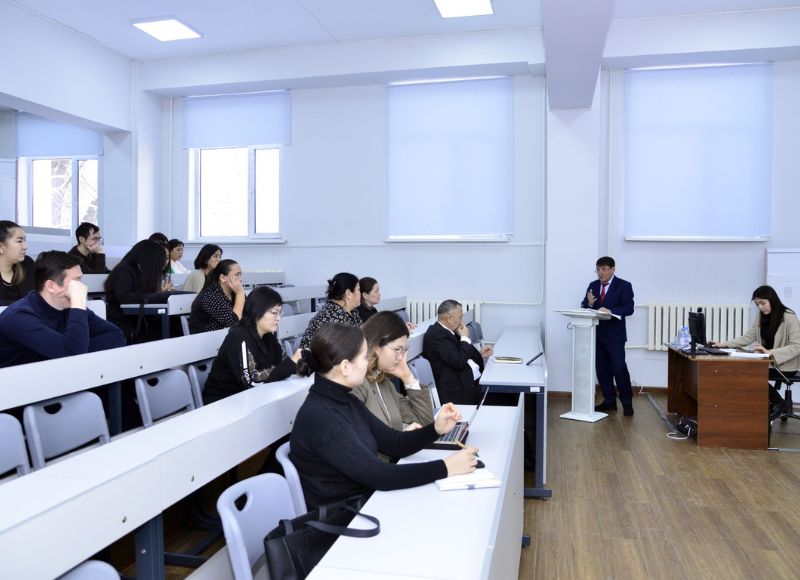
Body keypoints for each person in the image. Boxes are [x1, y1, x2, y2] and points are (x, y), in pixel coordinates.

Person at [290, 323, 477, 509]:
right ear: (345, 367)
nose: (367, 363)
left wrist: (436, 429)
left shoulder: (345, 401)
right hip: (348, 518)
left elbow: (393, 443)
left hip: (367, 503)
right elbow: (380, 476)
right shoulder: (321, 417)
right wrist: (446, 467)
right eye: (364, 357)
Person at [0, 251, 125, 368]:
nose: (82, 287)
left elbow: (117, 336)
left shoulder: (70, 307)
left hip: (56, 376)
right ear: (51, 286)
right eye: (75, 282)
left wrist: (77, 346)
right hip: (18, 382)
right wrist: (72, 348)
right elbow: (73, 354)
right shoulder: (19, 317)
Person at [710, 285, 800, 420]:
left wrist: (770, 352)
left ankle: (779, 404)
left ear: (772, 300)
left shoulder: (789, 317)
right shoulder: (761, 316)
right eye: (757, 304)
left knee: (750, 374)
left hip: (785, 365)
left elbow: (797, 346)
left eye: (763, 303)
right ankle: (775, 405)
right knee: (743, 371)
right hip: (767, 361)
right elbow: (748, 337)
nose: (760, 307)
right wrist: (724, 344)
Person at [203, 286, 301, 404]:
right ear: (257, 312)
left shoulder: (268, 336)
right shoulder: (239, 337)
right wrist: (290, 365)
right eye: (274, 312)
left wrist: (301, 364)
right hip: (222, 402)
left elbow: (278, 366)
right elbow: (251, 381)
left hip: (250, 397)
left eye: (280, 313)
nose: (278, 318)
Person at [352, 311, 434, 435]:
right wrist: (399, 440)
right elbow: (358, 440)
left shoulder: (384, 383)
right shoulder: (356, 385)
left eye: (404, 350)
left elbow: (424, 422)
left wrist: (407, 377)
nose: (401, 358)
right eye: (397, 349)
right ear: (375, 346)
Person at [581, 256, 635, 416]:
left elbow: (629, 308)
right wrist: (590, 304)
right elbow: (584, 305)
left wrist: (611, 311)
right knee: (602, 370)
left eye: (603, 269)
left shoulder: (624, 285)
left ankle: (627, 403)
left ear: (613, 269)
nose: (600, 273)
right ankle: (609, 401)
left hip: (615, 336)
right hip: (597, 335)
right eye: (598, 269)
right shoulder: (593, 285)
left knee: (619, 368)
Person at [422, 299, 492, 405]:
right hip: (457, 394)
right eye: (460, 317)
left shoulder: (448, 331)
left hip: (469, 384)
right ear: (449, 318)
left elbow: (461, 354)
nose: (462, 321)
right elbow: (458, 361)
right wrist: (465, 337)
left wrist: (480, 354)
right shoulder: (437, 336)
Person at [104, 239, 174, 342]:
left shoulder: (144, 273)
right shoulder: (124, 270)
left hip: (140, 317)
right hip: (123, 319)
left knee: (175, 324)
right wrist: (154, 296)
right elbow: (125, 297)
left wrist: (157, 295)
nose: (163, 263)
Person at [299, 272, 362, 349]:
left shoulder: (352, 312)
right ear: (348, 293)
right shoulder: (334, 317)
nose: (361, 293)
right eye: (359, 290)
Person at [188, 259, 245, 334]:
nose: (240, 279)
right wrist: (240, 293)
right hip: (206, 338)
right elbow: (233, 324)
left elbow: (250, 313)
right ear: (222, 278)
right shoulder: (211, 296)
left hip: (224, 336)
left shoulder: (234, 292)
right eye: (237, 275)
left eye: (240, 275)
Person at [0, 220, 35, 306]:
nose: (25, 247)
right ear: (1, 247)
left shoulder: (27, 264)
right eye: (19, 241)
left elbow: (35, 299)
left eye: (25, 241)